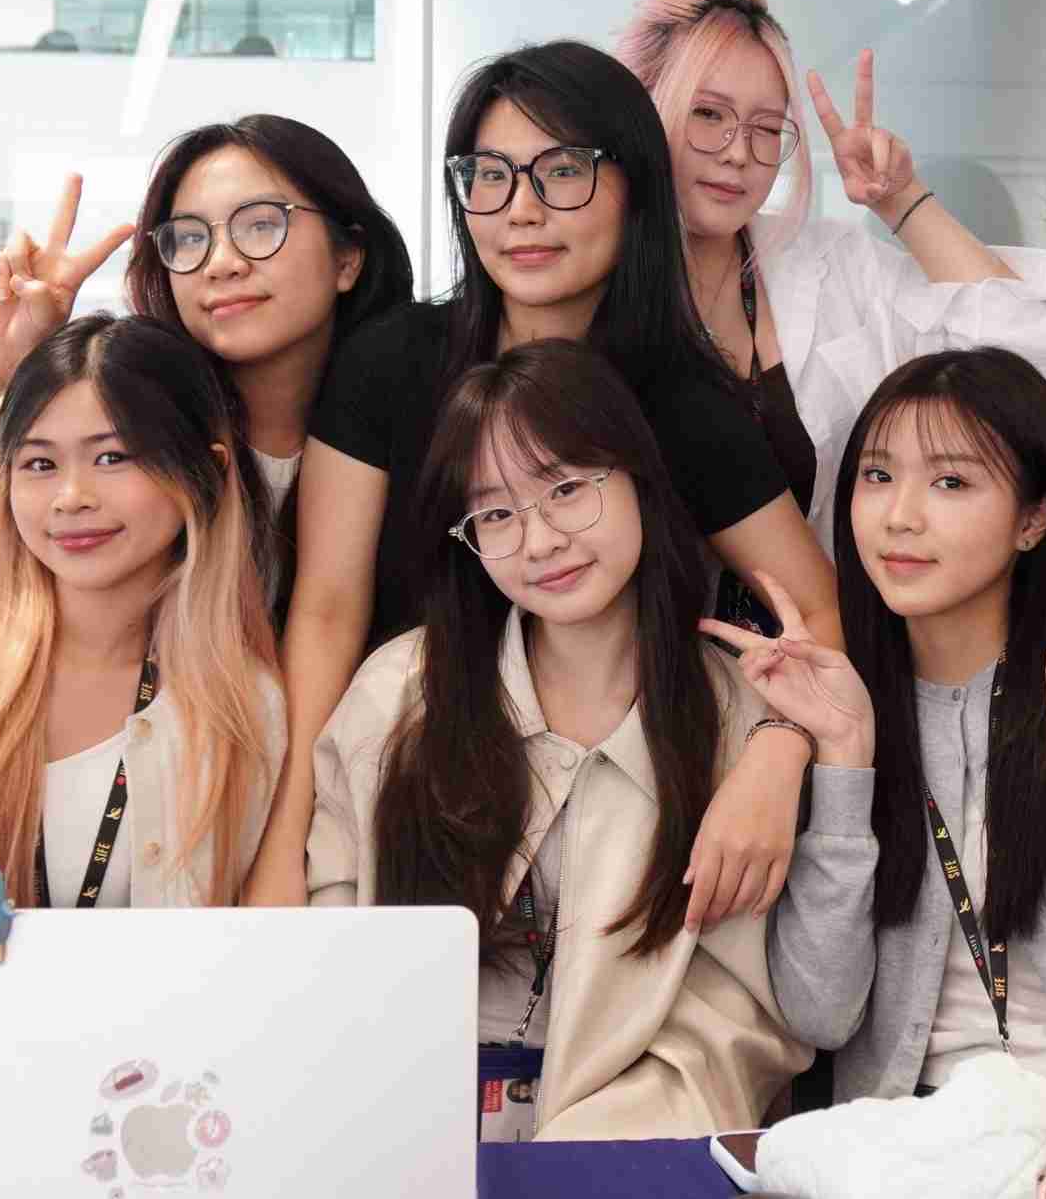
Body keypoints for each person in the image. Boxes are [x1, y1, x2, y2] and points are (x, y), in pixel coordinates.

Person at [268, 42, 841, 918]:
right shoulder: (390, 363)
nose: (520, 212)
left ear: (635, 188)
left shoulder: (685, 403)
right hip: (407, 792)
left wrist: (775, 750)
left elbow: (817, 607)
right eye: (488, 175)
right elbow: (326, 609)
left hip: (615, 816)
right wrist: (286, 838)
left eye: (562, 172)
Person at [307, 341, 808, 1140]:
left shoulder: (743, 714)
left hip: (627, 1139)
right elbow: (332, 927)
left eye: (568, 489)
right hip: (398, 1126)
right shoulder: (399, 693)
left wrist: (587, 1151)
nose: (539, 541)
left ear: (639, 479)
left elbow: (738, 1016)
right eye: (496, 514)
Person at [739, 349, 1046, 1102]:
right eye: (877, 476)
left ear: (1033, 519)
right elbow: (821, 1012)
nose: (900, 516)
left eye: (950, 482)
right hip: (909, 1137)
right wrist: (845, 761)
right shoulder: (834, 692)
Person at [0, 314, 287, 971]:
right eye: (38, 463)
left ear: (203, 473)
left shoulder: (242, 709)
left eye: (112, 457)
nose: (71, 497)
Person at [0, 116, 414, 612]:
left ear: (348, 257)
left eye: (261, 224)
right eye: (189, 239)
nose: (221, 262)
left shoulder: (416, 408)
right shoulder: (134, 408)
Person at [613, 0, 1046, 582]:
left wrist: (901, 201)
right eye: (707, 114)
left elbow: (1020, 358)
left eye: (766, 127)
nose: (738, 153)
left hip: (825, 651)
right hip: (648, 662)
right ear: (642, 113)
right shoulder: (587, 284)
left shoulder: (826, 264)